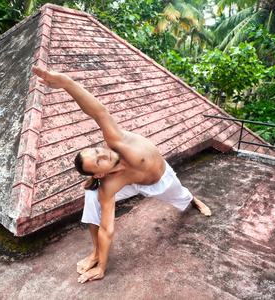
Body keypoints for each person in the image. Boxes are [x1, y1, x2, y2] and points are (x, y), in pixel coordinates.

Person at [31, 66, 212, 284]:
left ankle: (194, 199)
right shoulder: (108, 183)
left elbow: (98, 112)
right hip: (131, 182)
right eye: (98, 161)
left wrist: (68, 84)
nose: (104, 154)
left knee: (182, 197)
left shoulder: (117, 142)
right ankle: (96, 253)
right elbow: (107, 228)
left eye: (98, 151)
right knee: (91, 196)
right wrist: (102, 268)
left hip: (160, 181)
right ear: (98, 173)